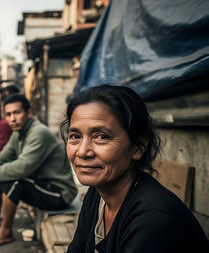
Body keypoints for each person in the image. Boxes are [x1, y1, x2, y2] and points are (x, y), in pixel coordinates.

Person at [63, 85, 209, 252]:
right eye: (75, 136)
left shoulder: (152, 217)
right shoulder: (97, 193)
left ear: (138, 147)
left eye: (102, 137)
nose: (82, 151)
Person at [0, 94, 77, 247]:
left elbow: (22, 167)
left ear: (28, 112)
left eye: (17, 113)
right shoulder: (18, 133)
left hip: (59, 193)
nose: (12, 118)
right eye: (9, 114)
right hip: (42, 185)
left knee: (13, 179)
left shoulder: (39, 132)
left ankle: (5, 232)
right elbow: (3, 157)